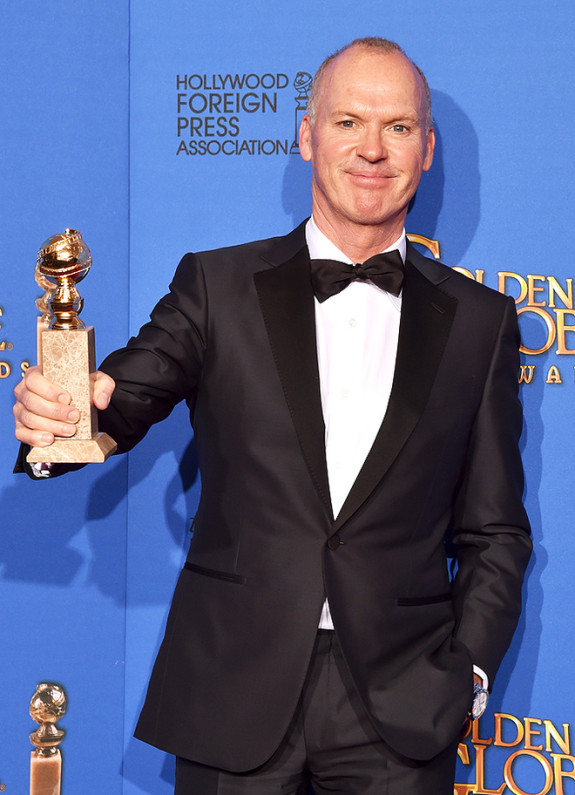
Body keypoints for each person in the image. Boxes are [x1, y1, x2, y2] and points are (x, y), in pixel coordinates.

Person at [13, 37, 532, 794]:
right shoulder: (216, 286)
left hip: (403, 705)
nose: (372, 149)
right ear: (306, 136)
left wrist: (467, 674)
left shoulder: (481, 322)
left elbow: (496, 531)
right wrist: (59, 420)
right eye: (348, 122)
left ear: (426, 149)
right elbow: (119, 398)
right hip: (234, 687)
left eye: (397, 127)